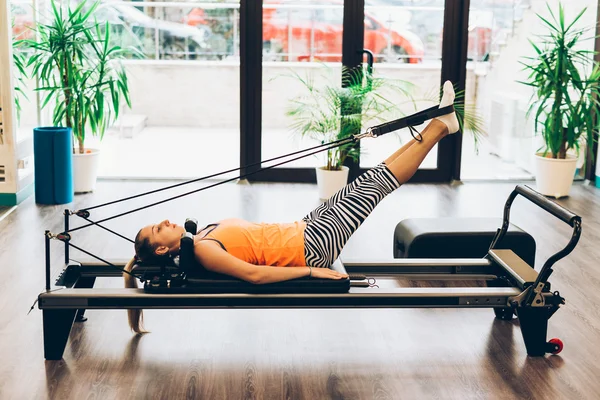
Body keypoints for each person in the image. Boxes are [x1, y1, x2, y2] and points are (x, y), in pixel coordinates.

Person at [123, 81, 459, 333]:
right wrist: (313, 272)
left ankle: (441, 123)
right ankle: (441, 126)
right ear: (165, 248)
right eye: (158, 229)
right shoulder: (205, 251)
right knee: (377, 185)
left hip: (304, 227)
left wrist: (135, 262)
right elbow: (255, 276)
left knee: (371, 178)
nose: (164, 221)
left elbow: (142, 259)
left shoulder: (200, 237)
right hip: (312, 248)